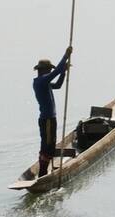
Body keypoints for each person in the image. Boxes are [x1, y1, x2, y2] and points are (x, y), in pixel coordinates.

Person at [30, 46, 73, 179]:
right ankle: (43, 174)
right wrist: (66, 55)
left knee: (48, 145)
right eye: (48, 69)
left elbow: (58, 85)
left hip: (49, 119)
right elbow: (56, 72)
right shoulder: (41, 81)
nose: (50, 71)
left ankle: (43, 172)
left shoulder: (43, 82)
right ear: (43, 70)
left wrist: (64, 72)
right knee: (48, 147)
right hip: (47, 119)